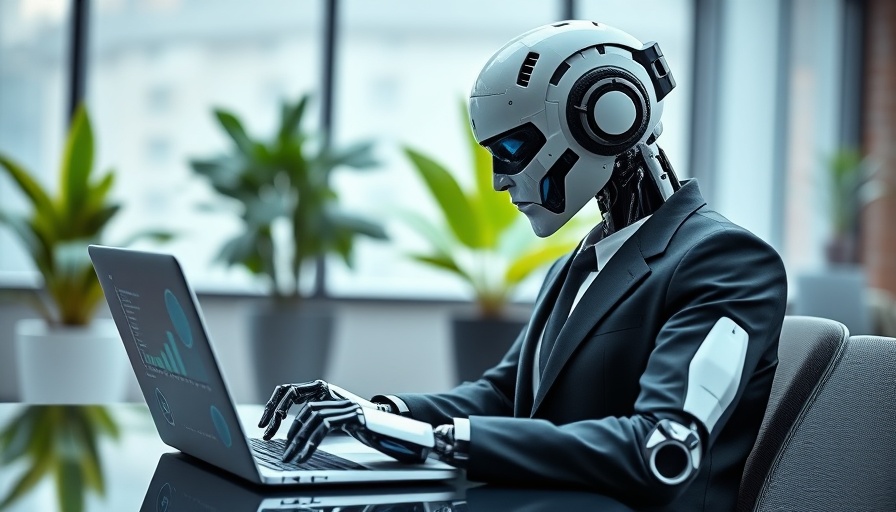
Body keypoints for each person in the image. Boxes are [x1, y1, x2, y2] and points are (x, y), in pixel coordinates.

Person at [258, 20, 787, 511]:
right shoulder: (579, 265)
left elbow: (664, 448)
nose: (499, 180)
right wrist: (379, 413)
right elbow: (502, 396)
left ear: (606, 118)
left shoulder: (726, 261)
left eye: (511, 148)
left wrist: (430, 440)